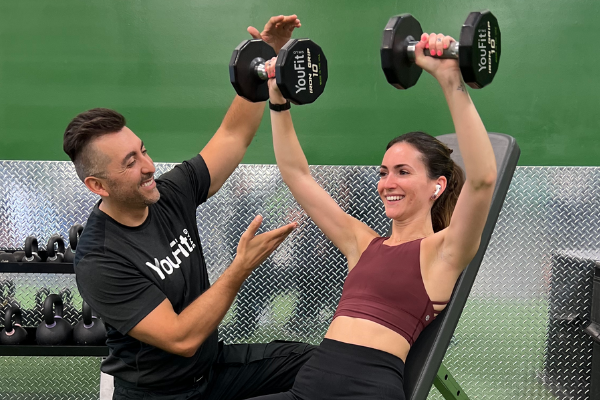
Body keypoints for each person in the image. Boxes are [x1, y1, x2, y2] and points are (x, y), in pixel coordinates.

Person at [62, 15, 317, 400]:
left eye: (143, 150)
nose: (149, 167)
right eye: (130, 163)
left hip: (212, 371)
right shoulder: (100, 259)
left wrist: (268, 62)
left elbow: (233, 135)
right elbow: (181, 338)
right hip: (159, 392)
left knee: (321, 365)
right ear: (97, 186)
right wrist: (241, 267)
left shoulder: (168, 193)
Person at [252, 32, 498, 399]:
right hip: (307, 387)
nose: (387, 183)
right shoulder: (362, 243)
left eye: (403, 172)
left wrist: (450, 79)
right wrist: (277, 98)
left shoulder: (443, 252)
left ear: (438, 185)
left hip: (367, 391)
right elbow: (296, 174)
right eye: (383, 172)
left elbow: (482, 180)